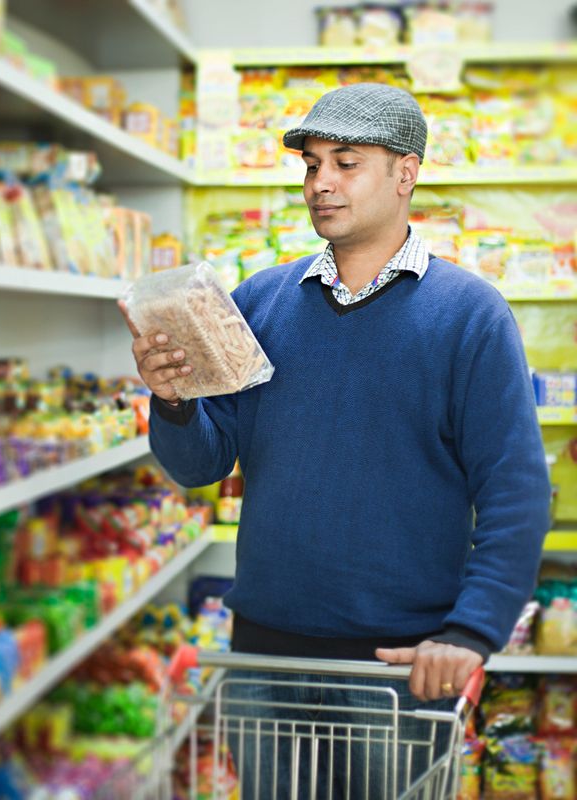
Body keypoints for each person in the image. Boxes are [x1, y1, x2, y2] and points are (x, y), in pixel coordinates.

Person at [119, 82, 550, 798]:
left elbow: (515, 490)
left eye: (346, 162)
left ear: (405, 173)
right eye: (312, 164)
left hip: (400, 663)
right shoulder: (260, 300)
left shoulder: (469, 316)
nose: (321, 183)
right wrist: (170, 400)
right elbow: (201, 464)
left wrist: (471, 633)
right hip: (264, 652)